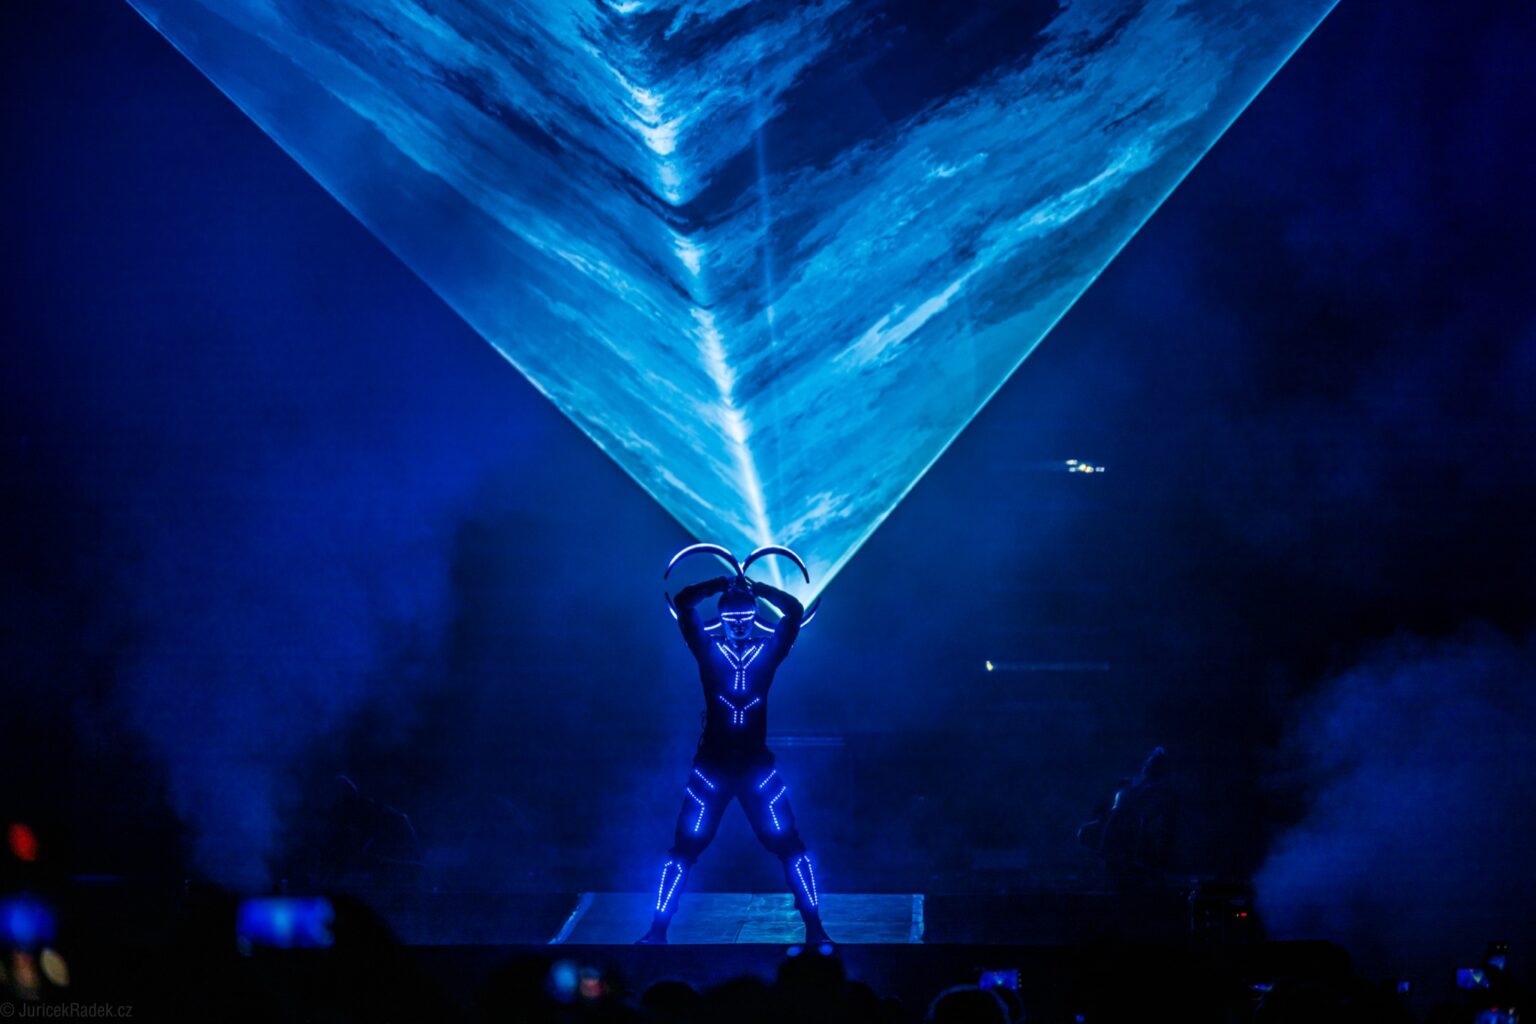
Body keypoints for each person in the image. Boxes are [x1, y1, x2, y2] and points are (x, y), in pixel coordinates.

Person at [638, 573, 831, 945]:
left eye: (745, 618)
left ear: (755, 618)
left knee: (790, 847)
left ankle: (816, 928)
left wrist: (760, 589)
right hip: (712, 770)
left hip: (755, 770)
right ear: (722, 620)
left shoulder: (766, 653)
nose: (739, 625)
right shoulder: (709, 651)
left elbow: (793, 612)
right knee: (684, 849)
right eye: (732, 619)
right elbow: (684, 603)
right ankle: (657, 930)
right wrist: (719, 583)